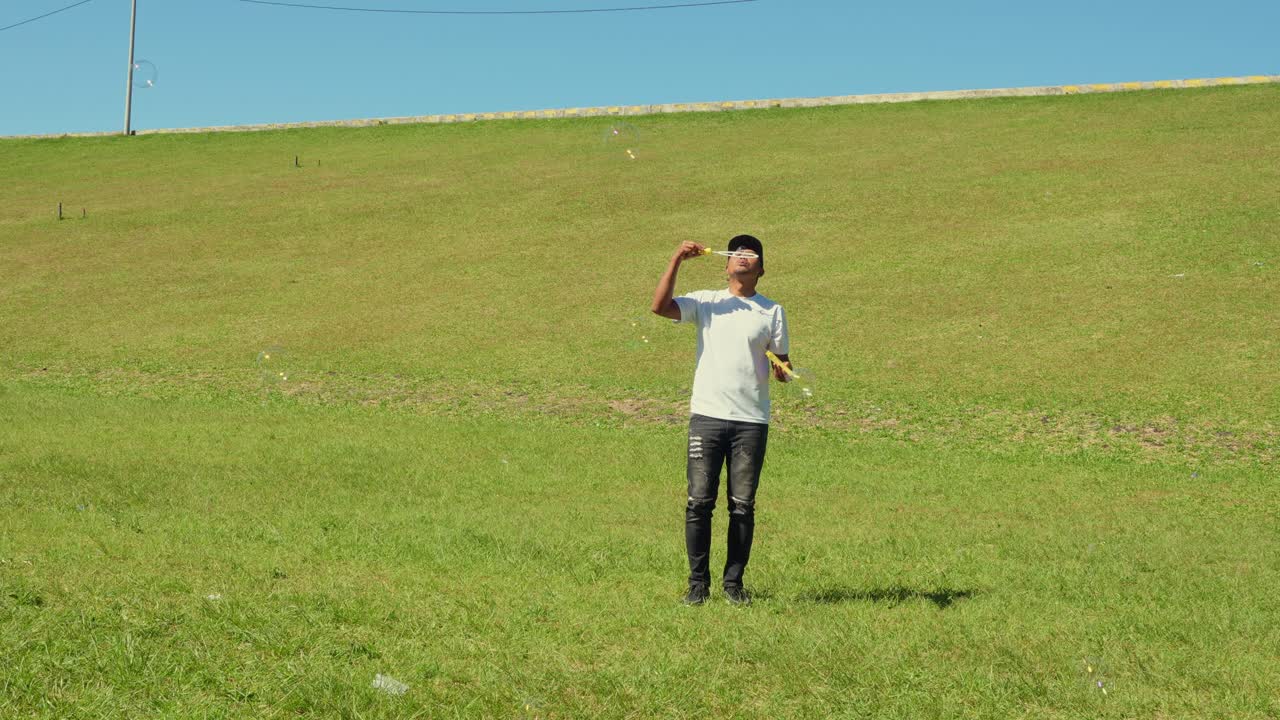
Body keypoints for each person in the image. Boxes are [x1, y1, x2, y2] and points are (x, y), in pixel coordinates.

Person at [650, 234, 791, 606]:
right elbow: (659, 307)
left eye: (752, 253)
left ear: (761, 269)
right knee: (699, 502)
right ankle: (698, 586)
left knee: (742, 505)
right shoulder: (707, 302)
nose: (744, 255)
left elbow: (782, 360)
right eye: (737, 251)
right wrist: (677, 258)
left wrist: (782, 370)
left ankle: (734, 586)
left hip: (751, 421)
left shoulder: (772, 311)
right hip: (708, 417)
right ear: (726, 264)